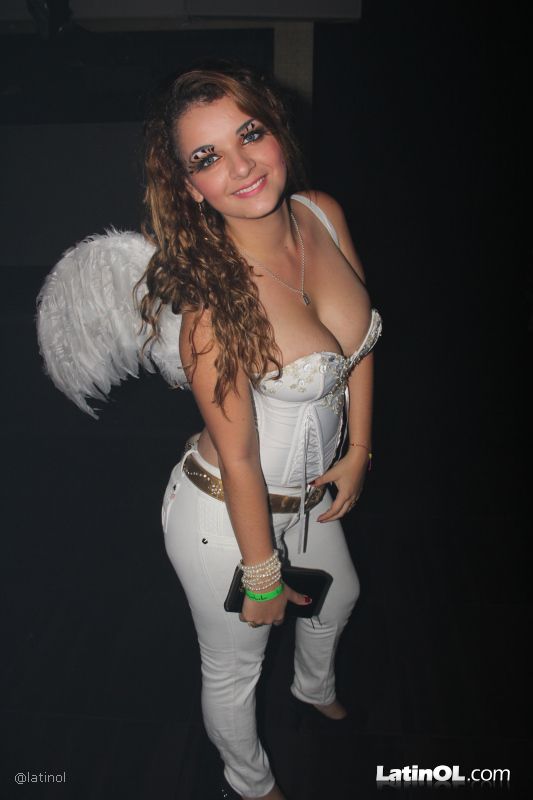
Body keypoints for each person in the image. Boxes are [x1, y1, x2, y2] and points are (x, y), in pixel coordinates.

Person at [137, 61, 383, 800]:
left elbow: (362, 341)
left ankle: (312, 689)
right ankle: (249, 784)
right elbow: (240, 456)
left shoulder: (321, 214)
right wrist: (263, 572)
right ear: (190, 187)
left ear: (276, 128)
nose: (240, 166)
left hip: (306, 492)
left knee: (340, 595)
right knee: (235, 667)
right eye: (206, 157)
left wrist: (358, 449)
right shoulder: (212, 305)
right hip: (224, 513)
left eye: (249, 134)